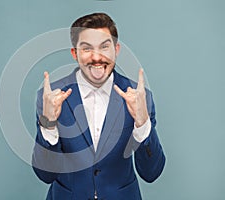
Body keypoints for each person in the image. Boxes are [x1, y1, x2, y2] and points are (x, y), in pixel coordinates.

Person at [32, 12, 165, 200]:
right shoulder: (50, 98)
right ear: (75, 53)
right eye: (87, 48)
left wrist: (142, 123)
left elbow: (152, 173)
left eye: (104, 47)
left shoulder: (139, 97)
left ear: (116, 49)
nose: (97, 57)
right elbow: (45, 175)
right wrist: (49, 124)